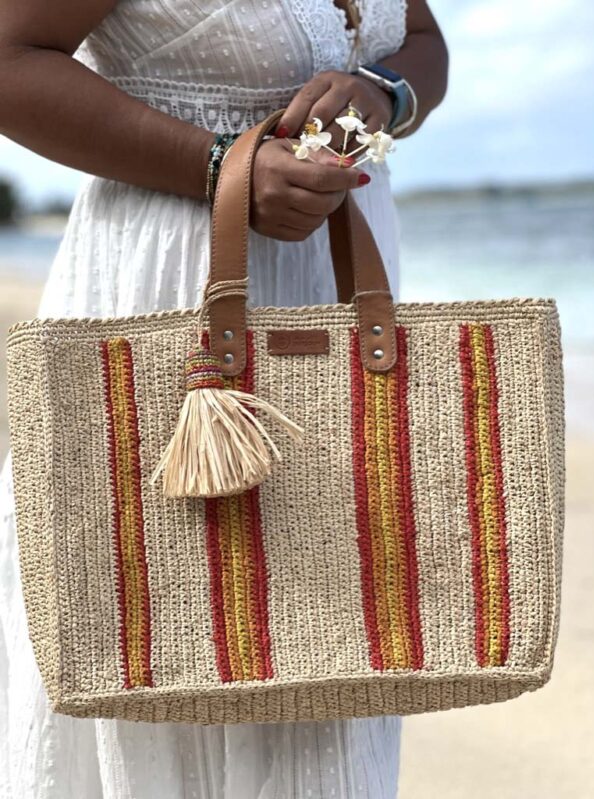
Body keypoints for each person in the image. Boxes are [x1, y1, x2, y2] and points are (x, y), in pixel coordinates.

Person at [0, 1, 448, 797]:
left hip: (339, 295)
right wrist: (221, 166)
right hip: (169, 299)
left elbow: (419, 39)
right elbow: (9, 58)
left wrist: (382, 92)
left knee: (334, 661)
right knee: (160, 638)